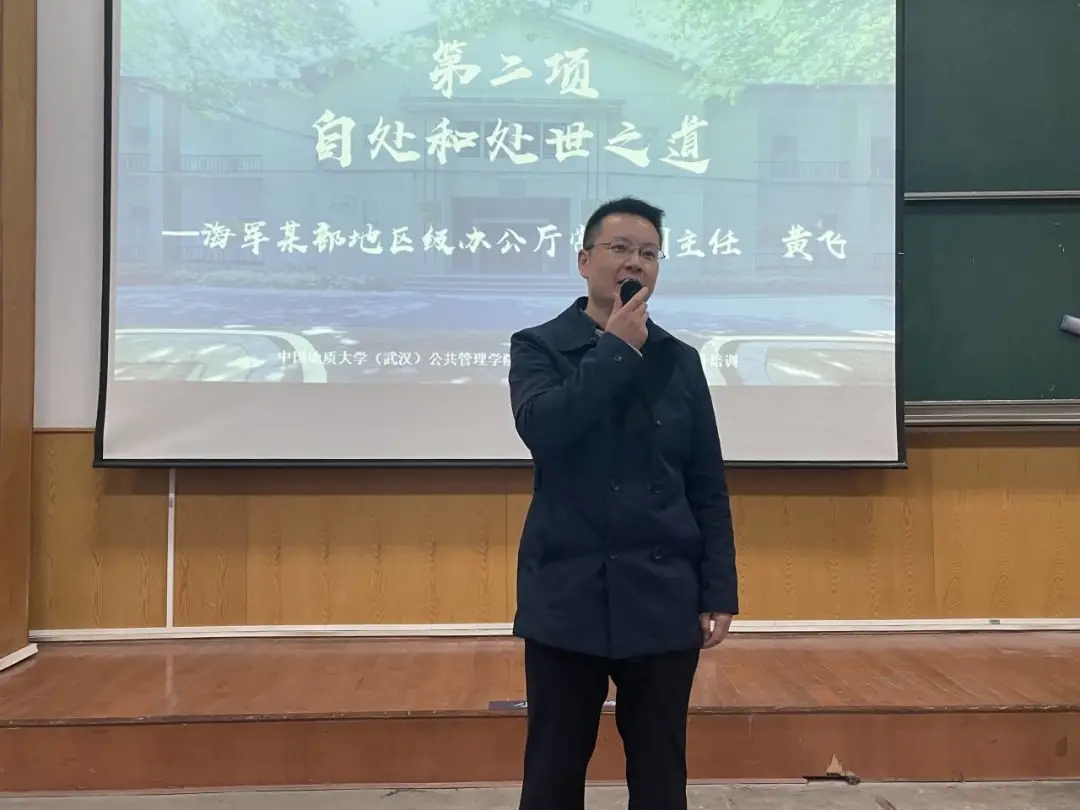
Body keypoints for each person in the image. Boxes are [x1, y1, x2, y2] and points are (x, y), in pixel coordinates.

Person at [507, 196, 739, 810]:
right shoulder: (539, 347)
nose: (634, 262)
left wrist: (718, 589)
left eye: (649, 253)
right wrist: (614, 350)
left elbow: (705, 482)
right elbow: (544, 431)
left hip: (662, 593)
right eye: (619, 249)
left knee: (660, 773)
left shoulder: (680, 361)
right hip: (568, 591)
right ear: (584, 261)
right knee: (553, 770)